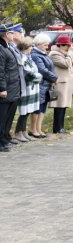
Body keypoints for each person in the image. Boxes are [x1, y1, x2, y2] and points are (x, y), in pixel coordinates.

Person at [0, 23, 25, 151]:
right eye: (11, 33)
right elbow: (1, 71)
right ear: (6, 34)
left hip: (13, 88)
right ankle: (1, 142)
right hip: (7, 89)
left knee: (9, 117)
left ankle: (5, 138)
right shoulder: (1, 48)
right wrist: (2, 88)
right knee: (2, 117)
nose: (13, 35)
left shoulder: (8, 47)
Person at [29, 34, 58, 138]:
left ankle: (39, 128)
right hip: (40, 84)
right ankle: (33, 129)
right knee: (37, 107)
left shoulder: (44, 54)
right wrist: (53, 78)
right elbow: (42, 70)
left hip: (47, 84)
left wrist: (53, 78)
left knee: (43, 107)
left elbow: (51, 68)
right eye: (45, 45)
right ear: (39, 44)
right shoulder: (35, 55)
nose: (47, 47)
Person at [14, 37, 41, 142]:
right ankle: (18, 132)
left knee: (29, 110)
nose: (32, 48)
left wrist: (37, 76)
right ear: (26, 47)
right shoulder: (22, 57)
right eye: (31, 46)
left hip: (33, 87)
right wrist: (38, 77)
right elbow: (27, 73)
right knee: (24, 111)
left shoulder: (28, 57)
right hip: (27, 87)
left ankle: (23, 131)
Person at [49, 34, 73, 134]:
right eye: (66, 46)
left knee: (64, 106)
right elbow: (66, 64)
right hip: (60, 83)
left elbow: (69, 65)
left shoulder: (63, 53)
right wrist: (70, 54)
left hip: (66, 83)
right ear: (60, 45)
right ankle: (57, 128)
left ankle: (61, 127)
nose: (68, 48)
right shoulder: (54, 54)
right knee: (59, 106)